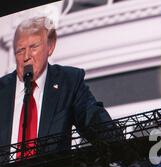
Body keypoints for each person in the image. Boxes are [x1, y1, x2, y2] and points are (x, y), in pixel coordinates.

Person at [0, 16, 114, 156]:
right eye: (20, 50)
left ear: (50, 46)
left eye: (34, 47)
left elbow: (100, 127)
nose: (26, 56)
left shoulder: (68, 81)